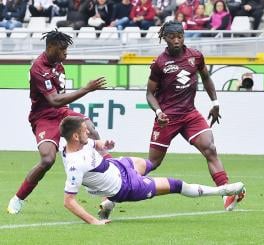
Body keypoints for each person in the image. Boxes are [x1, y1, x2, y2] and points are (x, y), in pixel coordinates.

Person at [59, 116, 245, 224]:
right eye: (85, 130)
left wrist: (103, 144)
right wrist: (94, 222)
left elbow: (94, 143)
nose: (88, 132)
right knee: (176, 185)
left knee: (147, 164)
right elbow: (69, 201)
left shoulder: (72, 143)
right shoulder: (76, 164)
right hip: (126, 186)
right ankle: (224, 191)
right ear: (75, 136)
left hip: (119, 166)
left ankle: (108, 203)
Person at [145, 20, 246, 212]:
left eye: (180, 36)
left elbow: (206, 78)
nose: (176, 40)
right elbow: (149, 93)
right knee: (153, 163)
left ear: (184, 36)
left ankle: (227, 193)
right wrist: (158, 112)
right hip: (167, 118)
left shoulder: (195, 56)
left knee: (210, 148)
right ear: (164, 38)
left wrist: (215, 103)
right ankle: (119, 187)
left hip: (190, 114)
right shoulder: (160, 63)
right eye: (172, 37)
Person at [7, 29, 108, 214]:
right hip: (44, 117)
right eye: (62, 49)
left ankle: (109, 181)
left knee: (91, 130)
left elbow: (59, 101)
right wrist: (86, 89)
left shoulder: (58, 65)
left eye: (66, 49)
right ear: (51, 47)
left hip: (61, 112)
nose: (65, 53)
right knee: (47, 160)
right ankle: (18, 198)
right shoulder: (38, 68)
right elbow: (54, 100)